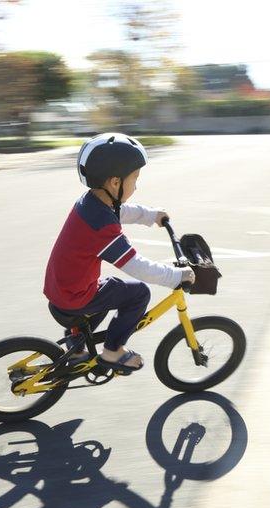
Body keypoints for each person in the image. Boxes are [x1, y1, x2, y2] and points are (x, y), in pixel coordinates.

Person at [44, 133, 195, 371]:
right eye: (134, 178)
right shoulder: (102, 227)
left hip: (61, 288)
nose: (137, 184)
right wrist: (176, 277)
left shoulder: (91, 203)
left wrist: (150, 215)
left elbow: (120, 211)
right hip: (75, 295)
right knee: (138, 294)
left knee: (109, 289)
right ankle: (113, 352)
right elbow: (136, 266)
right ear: (115, 182)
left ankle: (76, 344)